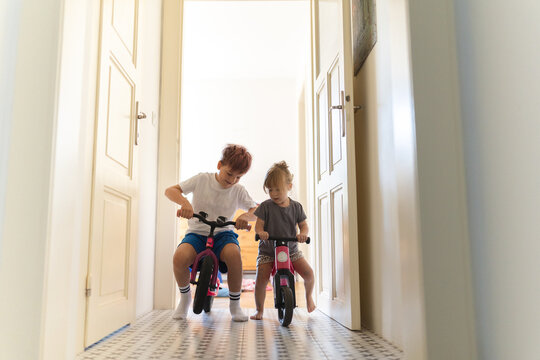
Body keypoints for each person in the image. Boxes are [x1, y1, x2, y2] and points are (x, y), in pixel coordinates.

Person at [165, 144, 257, 322]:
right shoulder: (202, 180)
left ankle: (235, 304)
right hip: (198, 233)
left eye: (238, 177)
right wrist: (185, 203)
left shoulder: (238, 190)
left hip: (224, 234)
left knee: (234, 255)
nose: (232, 180)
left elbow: (257, 210)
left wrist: (246, 215)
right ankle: (185, 299)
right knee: (179, 257)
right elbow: (170, 190)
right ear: (219, 165)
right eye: (229, 173)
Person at [250, 161, 315, 320]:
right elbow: (258, 226)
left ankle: (308, 298)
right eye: (270, 190)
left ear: (289, 186)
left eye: (278, 189)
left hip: (291, 250)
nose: (274, 193)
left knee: (308, 274)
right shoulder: (265, 207)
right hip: (268, 251)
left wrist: (303, 234)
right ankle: (259, 309)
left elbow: (303, 225)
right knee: (260, 280)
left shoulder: (296, 207)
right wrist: (261, 232)